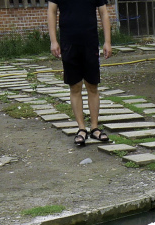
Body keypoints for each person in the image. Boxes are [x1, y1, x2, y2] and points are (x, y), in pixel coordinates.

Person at [48, 0, 113, 147]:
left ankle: (95, 128)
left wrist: (107, 41)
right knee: (75, 86)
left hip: (90, 41)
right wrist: (53, 40)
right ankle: (81, 129)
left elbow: (103, 13)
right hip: (68, 42)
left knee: (92, 85)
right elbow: (51, 11)